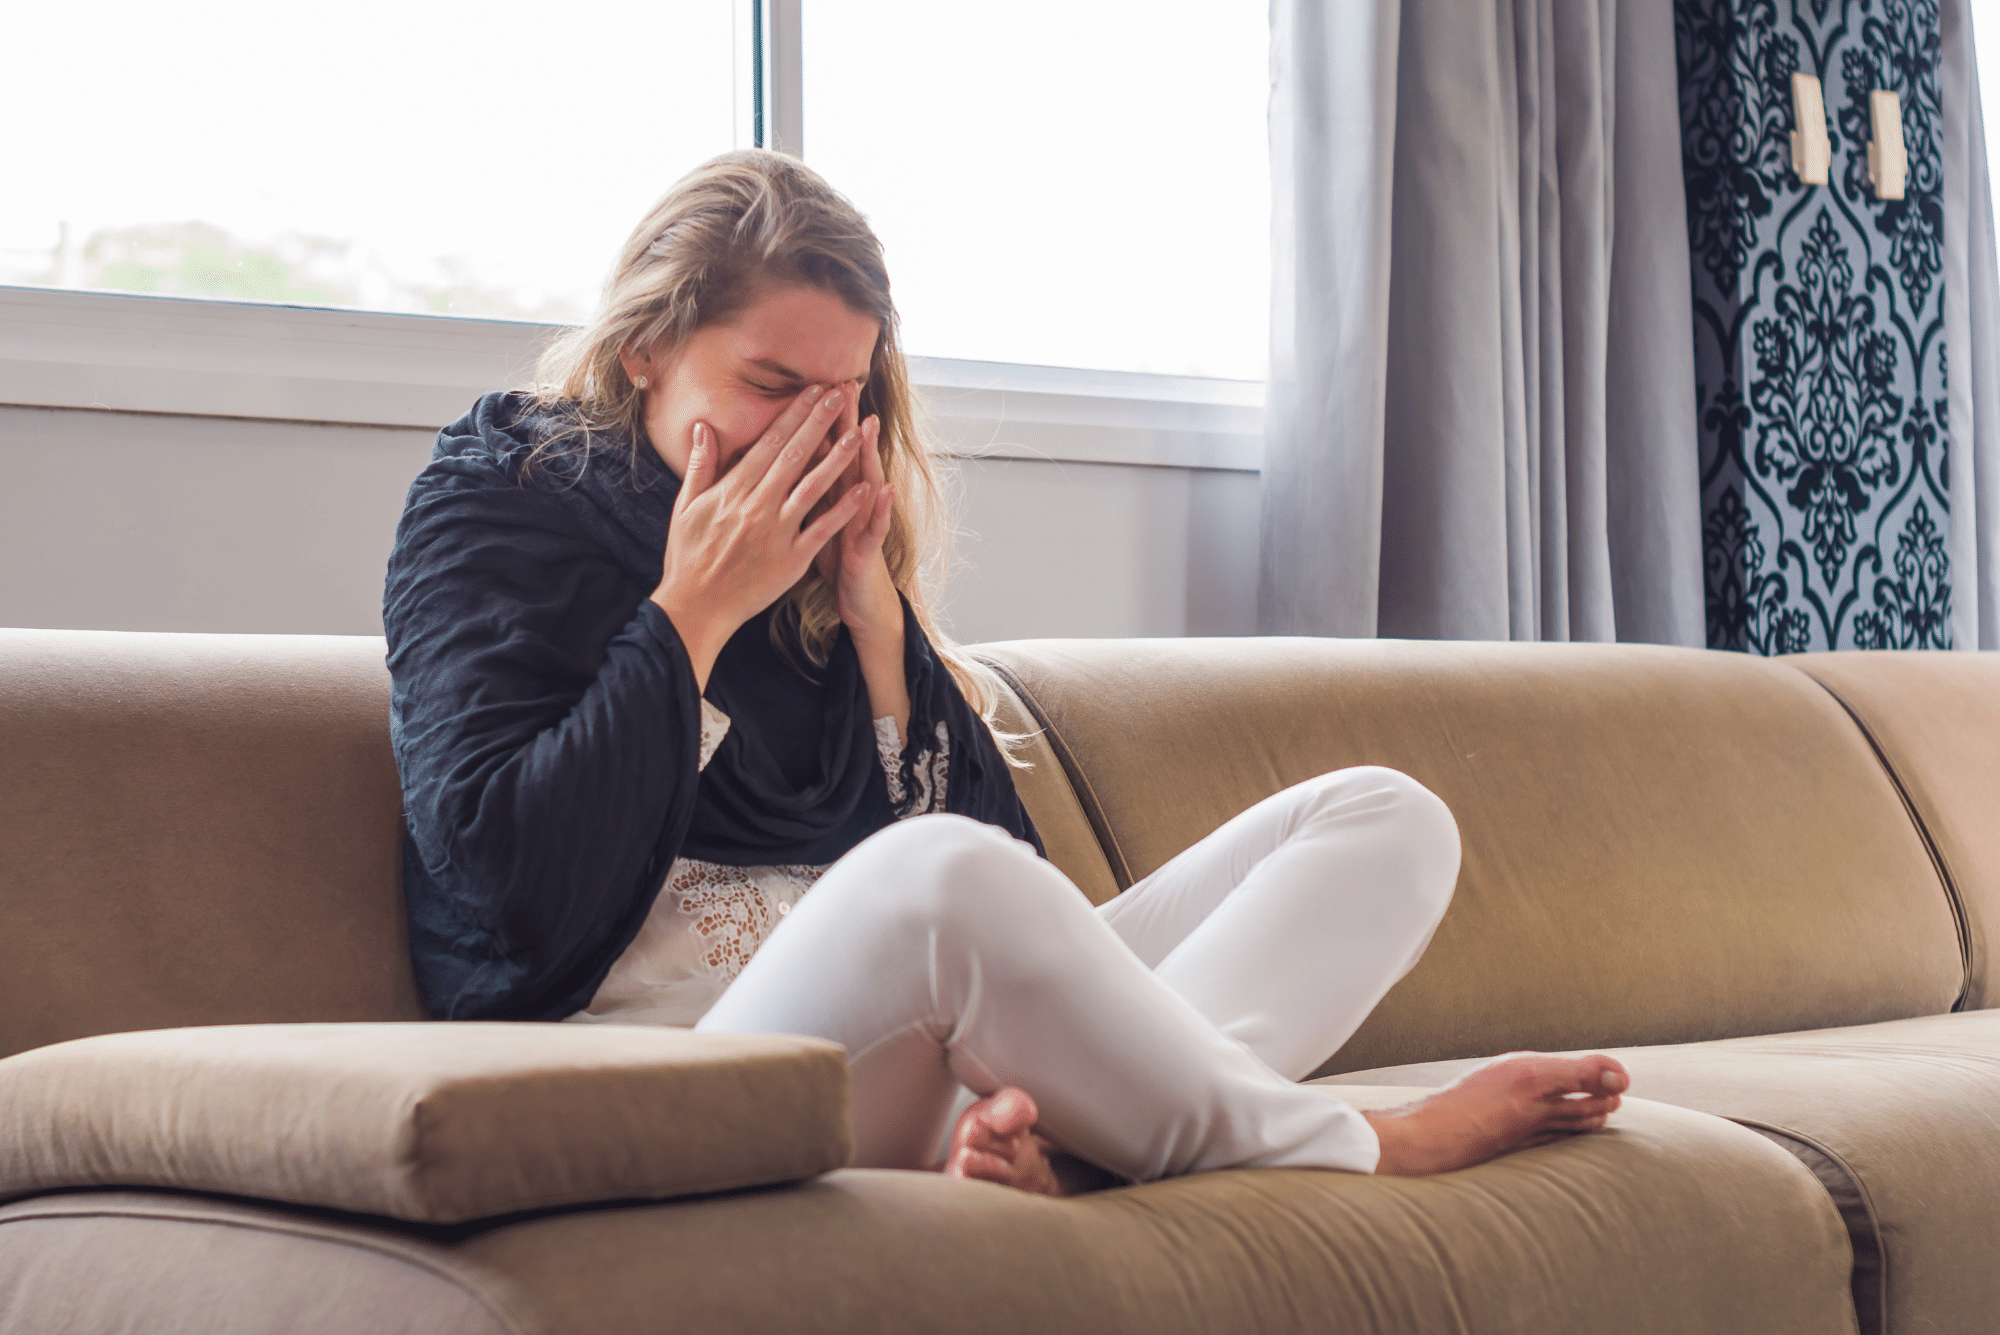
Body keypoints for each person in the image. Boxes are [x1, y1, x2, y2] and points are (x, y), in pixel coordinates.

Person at [384, 149, 1629, 1196]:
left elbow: (1021, 882)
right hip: (693, 1057)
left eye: (840, 396)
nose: (809, 434)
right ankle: (1349, 1144)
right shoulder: (494, 504)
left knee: (1380, 818)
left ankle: (1085, 1149)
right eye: (769, 385)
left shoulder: (835, 582)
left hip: (923, 1042)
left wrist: (876, 623)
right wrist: (693, 612)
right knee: (934, 877)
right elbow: (509, 884)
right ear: (646, 347)